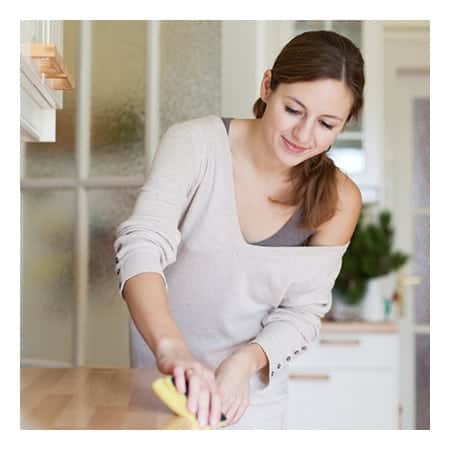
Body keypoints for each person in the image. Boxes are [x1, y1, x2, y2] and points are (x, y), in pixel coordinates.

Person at [113, 29, 364, 430]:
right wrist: (172, 350)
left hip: (251, 403)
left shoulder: (339, 199)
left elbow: (303, 312)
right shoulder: (195, 145)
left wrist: (245, 362)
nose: (303, 135)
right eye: (293, 110)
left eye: (326, 124)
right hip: (163, 389)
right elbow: (141, 246)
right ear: (267, 86)